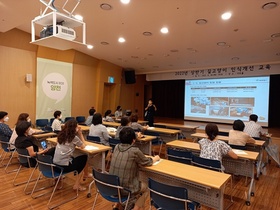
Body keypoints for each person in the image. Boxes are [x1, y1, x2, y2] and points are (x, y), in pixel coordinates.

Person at [109, 127, 160, 210]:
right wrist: (156, 158)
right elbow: (147, 162)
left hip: (113, 187)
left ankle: (119, 205)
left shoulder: (116, 147)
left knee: (122, 177)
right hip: (125, 189)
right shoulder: (134, 151)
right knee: (147, 187)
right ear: (133, 140)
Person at [53, 119, 88, 191]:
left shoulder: (60, 135)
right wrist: (80, 134)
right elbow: (83, 146)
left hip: (55, 164)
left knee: (75, 157)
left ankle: (59, 178)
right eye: (77, 127)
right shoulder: (74, 138)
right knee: (84, 158)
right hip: (64, 166)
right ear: (74, 128)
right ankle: (77, 185)